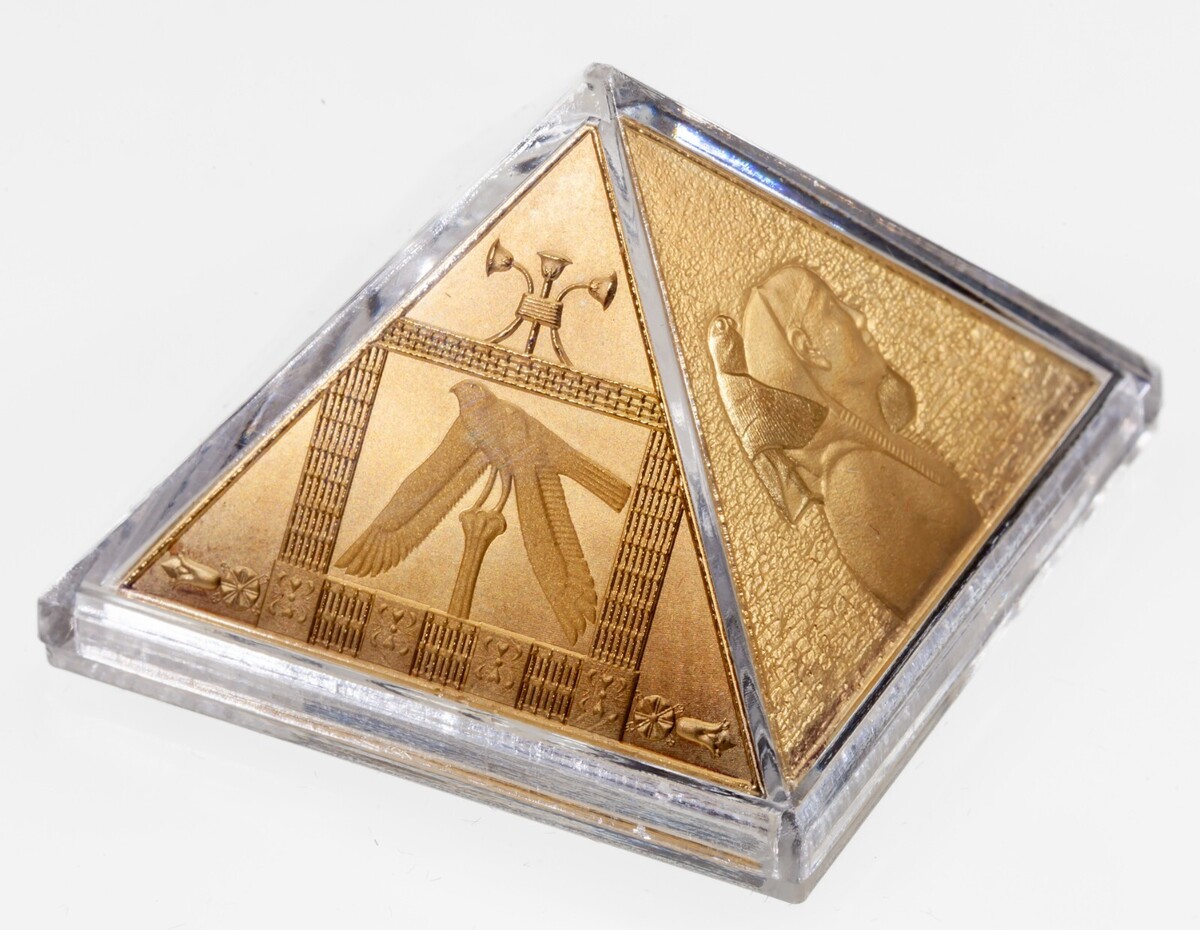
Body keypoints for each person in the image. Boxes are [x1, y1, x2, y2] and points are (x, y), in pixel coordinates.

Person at [708, 264, 981, 617]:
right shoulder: (855, 482)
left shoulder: (873, 455)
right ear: (808, 348)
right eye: (833, 308)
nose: (860, 318)